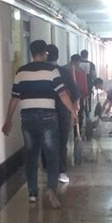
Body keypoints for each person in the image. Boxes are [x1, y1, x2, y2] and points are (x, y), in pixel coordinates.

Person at [2, 40, 78, 208]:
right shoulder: (52, 70)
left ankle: (32, 193)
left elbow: (14, 98)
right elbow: (63, 94)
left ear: (31, 53)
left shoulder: (21, 72)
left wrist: (8, 120)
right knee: (52, 155)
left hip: (27, 117)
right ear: (45, 53)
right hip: (47, 116)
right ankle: (51, 188)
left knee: (31, 155)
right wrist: (73, 112)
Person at [46, 44, 80, 184]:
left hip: (44, 110)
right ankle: (61, 171)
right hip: (62, 110)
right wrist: (74, 108)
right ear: (58, 56)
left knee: (46, 140)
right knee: (61, 141)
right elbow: (75, 92)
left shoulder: (40, 72)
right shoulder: (64, 72)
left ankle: (47, 167)